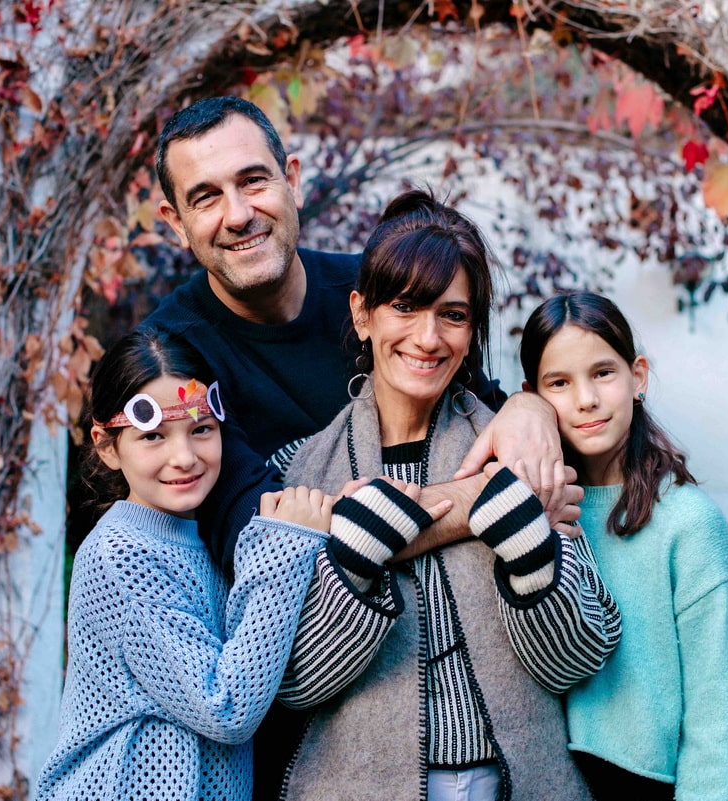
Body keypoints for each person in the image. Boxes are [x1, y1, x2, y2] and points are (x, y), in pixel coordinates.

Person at [141, 96, 581, 798]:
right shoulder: (173, 357)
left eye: (253, 180)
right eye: (205, 196)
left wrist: (531, 407)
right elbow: (273, 542)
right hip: (310, 735)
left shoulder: (382, 289)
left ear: (291, 177)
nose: (237, 213)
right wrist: (484, 502)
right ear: (176, 221)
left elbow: (477, 405)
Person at [274, 190, 622, 801]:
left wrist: (533, 562)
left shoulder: (525, 456)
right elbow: (289, 684)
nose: (428, 337)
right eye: (404, 307)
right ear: (362, 314)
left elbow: (580, 660)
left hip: (518, 781)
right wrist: (354, 564)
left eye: (453, 314)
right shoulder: (299, 471)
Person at [37, 330, 334, 801]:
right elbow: (226, 707)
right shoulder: (122, 555)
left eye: (201, 429)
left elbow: (248, 651)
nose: (184, 457)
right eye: (153, 436)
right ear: (108, 446)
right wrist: (286, 549)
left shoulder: (204, 536)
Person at [519, 292, 728, 801]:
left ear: (637, 376)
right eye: (560, 383)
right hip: (544, 780)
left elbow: (715, 716)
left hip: (645, 786)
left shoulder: (689, 523)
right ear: (532, 397)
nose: (586, 399)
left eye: (603, 373)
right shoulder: (532, 516)